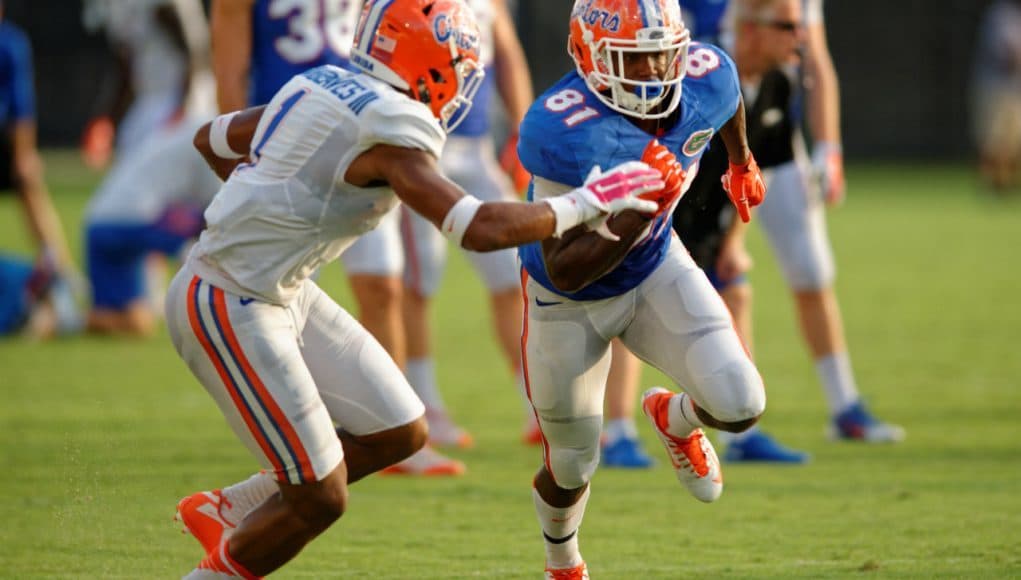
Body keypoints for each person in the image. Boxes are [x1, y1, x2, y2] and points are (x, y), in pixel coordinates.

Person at [168, 1, 663, 575]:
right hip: (230, 298)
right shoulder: (392, 129)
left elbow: (212, 139)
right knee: (321, 498)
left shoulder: (322, 83)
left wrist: (268, 205)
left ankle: (231, 507)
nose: (461, 79)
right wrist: (587, 203)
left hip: (281, 289)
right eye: (456, 63)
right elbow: (478, 229)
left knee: (400, 430)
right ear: (426, 62)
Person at [517, 1, 769, 576]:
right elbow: (565, 271)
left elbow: (724, 102)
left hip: (656, 266)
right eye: (636, 60)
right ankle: (564, 560)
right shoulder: (560, 128)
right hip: (567, 303)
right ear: (589, 55)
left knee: (741, 402)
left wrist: (740, 161)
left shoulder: (706, 74)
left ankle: (672, 417)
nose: (655, 74)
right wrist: (638, 209)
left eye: (663, 56)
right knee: (572, 464)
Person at [211, 0, 466, 475]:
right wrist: (247, 171)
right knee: (278, 293)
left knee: (382, 285)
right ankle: (302, 428)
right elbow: (229, 66)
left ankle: (384, 427)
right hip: (291, 135)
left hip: (364, 132)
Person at [393, 0, 536, 453]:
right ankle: (424, 405)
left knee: (514, 275)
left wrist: (522, 128)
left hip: (474, 148)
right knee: (417, 282)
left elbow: (508, 53)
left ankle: (536, 403)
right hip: (419, 147)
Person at [82, 117, 222, 336]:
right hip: (137, 218)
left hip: (98, 221)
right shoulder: (212, 138)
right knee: (202, 244)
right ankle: (204, 316)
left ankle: (63, 319)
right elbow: (216, 211)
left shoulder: (178, 133)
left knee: (127, 320)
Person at [0, 3, 84, 337]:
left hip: (3, 143)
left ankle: (59, 275)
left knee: (31, 188)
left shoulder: (10, 43)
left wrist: (23, 155)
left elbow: (21, 106)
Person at [971, 0, 1021, 193]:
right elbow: (1009, 56)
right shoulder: (1001, 14)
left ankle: (1008, 184)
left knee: (1014, 140)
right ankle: (989, 185)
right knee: (994, 140)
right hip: (996, 88)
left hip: (1016, 90)